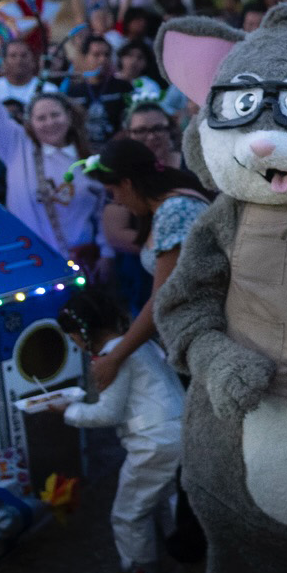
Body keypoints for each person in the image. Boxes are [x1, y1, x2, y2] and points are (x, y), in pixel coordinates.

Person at [56, 287, 184, 573]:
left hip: (153, 443)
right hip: (179, 433)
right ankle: (174, 561)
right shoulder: (139, 345)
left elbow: (106, 414)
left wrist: (65, 410)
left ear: (82, 334)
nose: (75, 345)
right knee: (163, 501)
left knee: (128, 514)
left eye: (73, 338)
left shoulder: (114, 356)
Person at [81, 138, 214, 392]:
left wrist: (115, 357)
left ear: (127, 183)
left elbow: (162, 297)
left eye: (113, 193)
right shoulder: (165, 206)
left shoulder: (175, 210)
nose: (117, 202)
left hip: (203, 338)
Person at [0, 40, 111, 267]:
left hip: (83, 267)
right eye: (41, 118)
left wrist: (107, 255)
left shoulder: (87, 160)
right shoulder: (17, 148)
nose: (49, 122)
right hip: (31, 264)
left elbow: (101, 214)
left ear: (69, 117)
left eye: (55, 115)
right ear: (29, 124)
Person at [61, 34, 135, 146]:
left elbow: (132, 121)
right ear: (85, 58)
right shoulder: (73, 92)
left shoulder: (123, 87)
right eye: (96, 55)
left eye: (106, 55)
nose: (102, 59)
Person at [124, 102, 183, 169]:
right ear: (128, 135)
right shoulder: (122, 171)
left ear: (170, 131)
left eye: (158, 128)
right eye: (141, 131)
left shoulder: (191, 166)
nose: (151, 137)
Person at [0, 39, 44, 108]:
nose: (19, 60)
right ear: (4, 62)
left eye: (24, 55)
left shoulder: (48, 89)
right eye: (13, 56)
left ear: (33, 61)